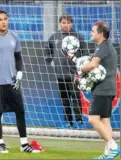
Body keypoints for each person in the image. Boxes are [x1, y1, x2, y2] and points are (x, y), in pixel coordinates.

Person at [0, 10, 40, 153]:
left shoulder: (14, 37)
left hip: (12, 82)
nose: (3, 22)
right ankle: (0, 144)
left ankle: (24, 144)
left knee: (20, 111)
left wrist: (19, 74)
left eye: (5, 19)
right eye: (0, 19)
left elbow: (18, 58)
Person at [80, 21, 120, 159]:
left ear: (101, 34)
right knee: (105, 120)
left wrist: (81, 68)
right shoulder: (106, 46)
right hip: (109, 88)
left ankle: (113, 146)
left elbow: (92, 65)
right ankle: (108, 153)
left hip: (102, 89)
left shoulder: (102, 47)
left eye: (93, 31)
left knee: (93, 119)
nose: (91, 33)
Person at [44, 13, 88, 129]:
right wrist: (50, 60)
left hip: (75, 75)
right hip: (60, 74)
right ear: (60, 23)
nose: (66, 25)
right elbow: (47, 50)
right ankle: (68, 122)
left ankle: (79, 122)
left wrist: (81, 67)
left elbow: (85, 53)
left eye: (68, 22)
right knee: (65, 100)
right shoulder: (54, 37)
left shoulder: (78, 36)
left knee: (76, 99)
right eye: (64, 22)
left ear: (71, 23)